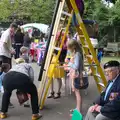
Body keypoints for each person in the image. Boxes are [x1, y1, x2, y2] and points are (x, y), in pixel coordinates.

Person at [66, 40, 84, 113]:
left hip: (76, 76)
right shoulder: (77, 53)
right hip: (77, 75)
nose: (69, 49)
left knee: (77, 94)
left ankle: (78, 110)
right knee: (77, 93)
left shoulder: (77, 54)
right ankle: (77, 108)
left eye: (69, 47)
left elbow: (76, 66)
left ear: (73, 47)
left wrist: (69, 64)